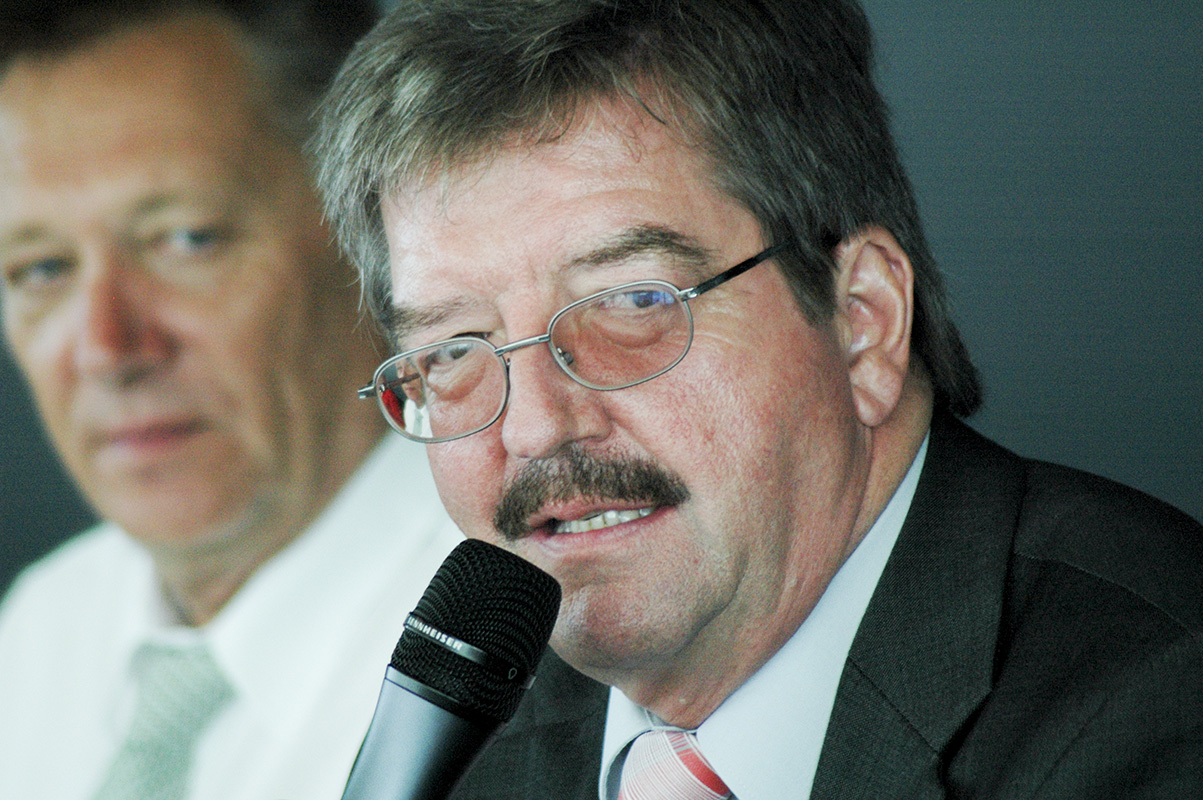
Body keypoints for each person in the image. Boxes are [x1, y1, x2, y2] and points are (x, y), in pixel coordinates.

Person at [313, 0, 1203, 797]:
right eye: (451, 348)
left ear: (861, 320)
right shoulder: (467, 757)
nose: (537, 425)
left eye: (633, 302)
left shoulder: (1155, 704)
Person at [0, 2, 462, 798]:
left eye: (187, 239)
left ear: (373, 236)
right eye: (42, 269)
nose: (107, 349)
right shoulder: (43, 630)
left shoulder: (530, 644)